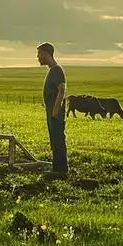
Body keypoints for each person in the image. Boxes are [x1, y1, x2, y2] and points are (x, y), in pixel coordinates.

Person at [37, 42, 68, 175]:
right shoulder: (52, 69)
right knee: (54, 139)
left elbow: (62, 90)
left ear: (46, 54)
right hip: (52, 112)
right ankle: (57, 168)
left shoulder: (56, 70)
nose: (38, 57)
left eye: (39, 54)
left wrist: (56, 109)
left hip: (55, 112)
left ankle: (61, 169)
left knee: (58, 138)